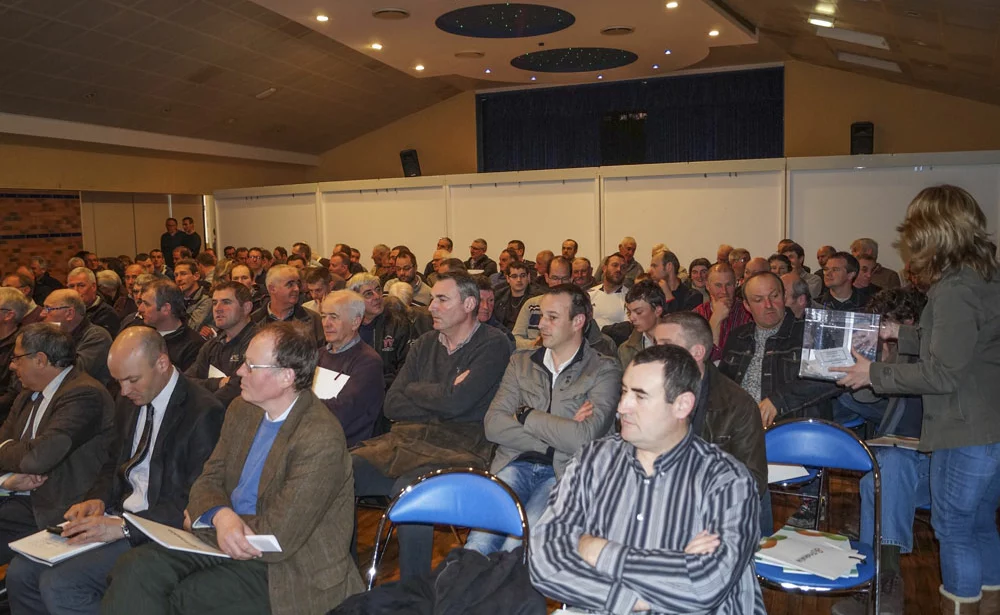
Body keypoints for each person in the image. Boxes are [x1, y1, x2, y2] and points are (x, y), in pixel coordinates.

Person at [102, 322, 364, 614]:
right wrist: (220, 515)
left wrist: (208, 519)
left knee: (187, 597)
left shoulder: (319, 436)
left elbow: (279, 535)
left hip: (287, 564)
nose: (239, 372)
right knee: (134, 567)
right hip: (224, 537)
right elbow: (208, 478)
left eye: (252, 366)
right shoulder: (243, 410)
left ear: (286, 377)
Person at [833, 185, 1000, 615]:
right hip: (988, 425)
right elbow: (961, 343)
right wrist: (899, 334)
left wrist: (873, 372)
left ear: (932, 232)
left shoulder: (954, 287)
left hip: (964, 428)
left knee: (955, 528)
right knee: (981, 524)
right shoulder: (983, 276)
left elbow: (942, 371)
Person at [528, 344, 764, 613]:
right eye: (625, 391)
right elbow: (543, 557)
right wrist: (639, 595)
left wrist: (599, 550)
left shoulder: (727, 481)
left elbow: (704, 585)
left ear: (682, 405)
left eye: (640, 397)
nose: (622, 407)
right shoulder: (593, 460)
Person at [6, 327, 224, 614]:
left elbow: (193, 498)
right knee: (21, 573)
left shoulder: (204, 411)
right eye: (119, 381)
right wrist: (95, 499)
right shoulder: (128, 399)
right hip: (117, 515)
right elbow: (112, 463)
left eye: (132, 380)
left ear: (162, 363)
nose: (124, 390)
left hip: (157, 528)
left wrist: (123, 527)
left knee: (62, 583)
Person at [351, 272, 512, 580]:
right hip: (408, 440)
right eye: (433, 298)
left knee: (410, 490)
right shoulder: (425, 343)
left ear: (468, 304)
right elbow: (393, 403)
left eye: (442, 299)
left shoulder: (493, 345)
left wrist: (422, 392)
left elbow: (458, 404)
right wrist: (444, 391)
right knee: (342, 468)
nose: (432, 307)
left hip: (463, 448)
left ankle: (416, 590)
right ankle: (343, 574)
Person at [466, 284, 621, 556]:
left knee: (518, 545)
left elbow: (585, 439)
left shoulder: (604, 370)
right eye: (541, 317)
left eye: (552, 317)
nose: (541, 325)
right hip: (515, 461)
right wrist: (562, 431)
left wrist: (526, 415)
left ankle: (503, 596)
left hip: (567, 472)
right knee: (478, 544)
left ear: (578, 321)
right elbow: (493, 425)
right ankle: (461, 597)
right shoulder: (520, 362)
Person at [0, 323, 114, 565]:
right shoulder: (26, 394)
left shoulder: (84, 394)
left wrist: (7, 450)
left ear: (40, 359)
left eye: (17, 358)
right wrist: (6, 481)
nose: (12, 365)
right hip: (16, 495)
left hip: (51, 507)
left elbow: (37, 459)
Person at [317, 291, 385, 447]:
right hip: (314, 436)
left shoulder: (368, 363)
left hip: (345, 447)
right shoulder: (317, 355)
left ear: (355, 322)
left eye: (334, 317)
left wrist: (298, 403)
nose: (326, 323)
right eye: (323, 316)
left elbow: (342, 411)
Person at [185, 282, 258, 408]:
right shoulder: (211, 345)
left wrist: (200, 408)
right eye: (214, 303)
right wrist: (218, 383)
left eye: (226, 302)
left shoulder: (259, 342)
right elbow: (186, 381)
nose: (218, 308)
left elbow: (236, 387)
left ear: (246, 307)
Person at [347, 273, 413, 391]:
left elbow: (407, 367)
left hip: (386, 391)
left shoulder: (398, 324)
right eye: (368, 294)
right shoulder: (346, 326)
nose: (377, 296)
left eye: (378, 290)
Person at [42, 289, 113, 386]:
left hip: (85, 396)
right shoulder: (54, 335)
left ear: (69, 314)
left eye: (48, 309)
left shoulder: (97, 337)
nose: (42, 314)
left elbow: (71, 373)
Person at [136, 280, 205, 372]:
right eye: (141, 302)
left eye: (147, 304)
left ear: (166, 309)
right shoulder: (141, 333)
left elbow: (187, 382)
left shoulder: (193, 346)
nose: (140, 309)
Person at [250, 264, 324, 346]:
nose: (296, 289)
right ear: (272, 289)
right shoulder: (254, 321)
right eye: (290, 284)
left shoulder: (313, 319)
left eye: (298, 284)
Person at [694, 263, 752, 361]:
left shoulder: (747, 312)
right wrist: (716, 318)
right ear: (708, 286)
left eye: (728, 285)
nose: (724, 291)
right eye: (718, 285)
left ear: (735, 285)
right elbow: (698, 356)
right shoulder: (697, 315)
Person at [618, 280, 666, 368]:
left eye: (638, 312)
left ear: (657, 311)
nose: (632, 318)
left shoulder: (680, 342)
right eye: (629, 312)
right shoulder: (626, 350)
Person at [66, 267, 121, 337]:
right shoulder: (64, 310)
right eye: (71, 286)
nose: (75, 290)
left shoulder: (107, 314)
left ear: (93, 287)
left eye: (81, 286)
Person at [493, 261, 538, 331]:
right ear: (508, 279)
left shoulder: (537, 298)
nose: (519, 280)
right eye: (514, 276)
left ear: (528, 277)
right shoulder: (498, 296)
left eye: (523, 276)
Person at [588, 253, 628, 329]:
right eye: (615, 265)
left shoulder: (630, 298)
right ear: (604, 268)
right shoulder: (590, 294)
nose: (619, 269)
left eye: (623, 267)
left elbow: (627, 329)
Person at [173, 259, 212, 336]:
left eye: (183, 274)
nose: (179, 279)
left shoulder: (206, 299)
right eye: (176, 275)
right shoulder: (177, 297)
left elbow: (191, 327)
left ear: (196, 276)